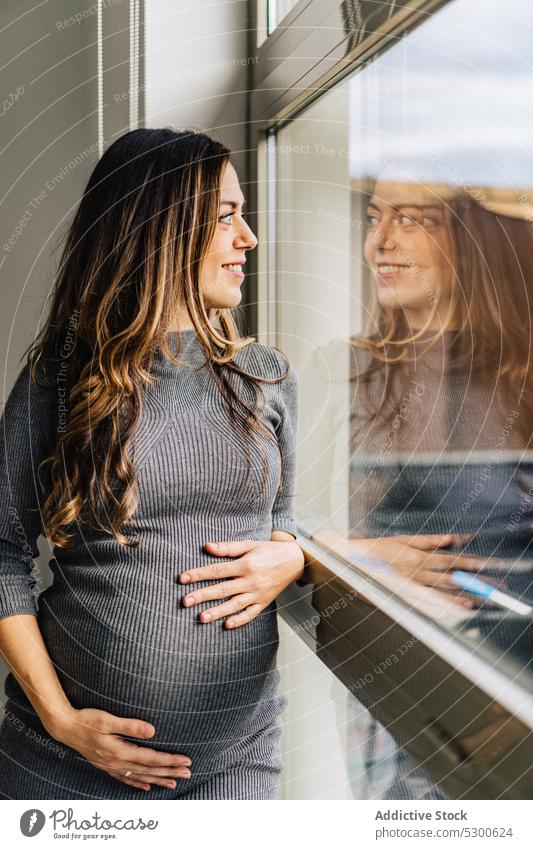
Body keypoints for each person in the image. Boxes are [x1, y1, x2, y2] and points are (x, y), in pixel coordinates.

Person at [0, 127, 305, 800]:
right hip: (62, 766)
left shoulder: (267, 378)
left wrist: (293, 554)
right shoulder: (60, 377)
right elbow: (2, 555)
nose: (247, 237)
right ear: (161, 230)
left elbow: (282, 519)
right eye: (226, 216)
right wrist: (62, 719)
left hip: (234, 767)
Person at [297, 176, 533, 798]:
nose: (381, 242)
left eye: (415, 220)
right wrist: (365, 554)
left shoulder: (524, 378)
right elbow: (274, 517)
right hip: (394, 694)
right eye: (376, 218)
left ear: (479, 243)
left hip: (513, 691)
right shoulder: (341, 369)